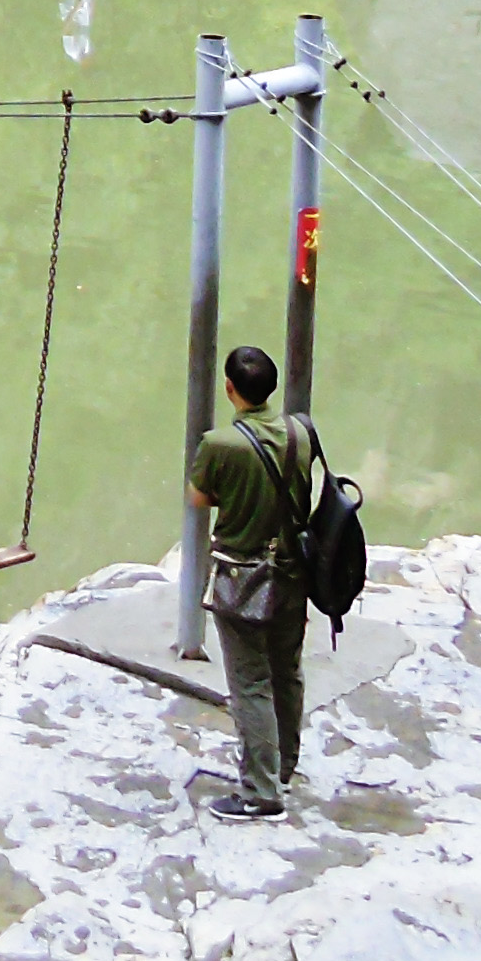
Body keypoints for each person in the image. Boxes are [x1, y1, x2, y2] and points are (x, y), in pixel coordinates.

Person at [185, 342, 319, 819]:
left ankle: (260, 793)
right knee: (287, 669)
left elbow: (198, 498)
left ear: (229, 388)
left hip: (241, 578)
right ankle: (283, 765)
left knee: (250, 683)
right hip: (292, 572)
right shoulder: (300, 434)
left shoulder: (221, 444)